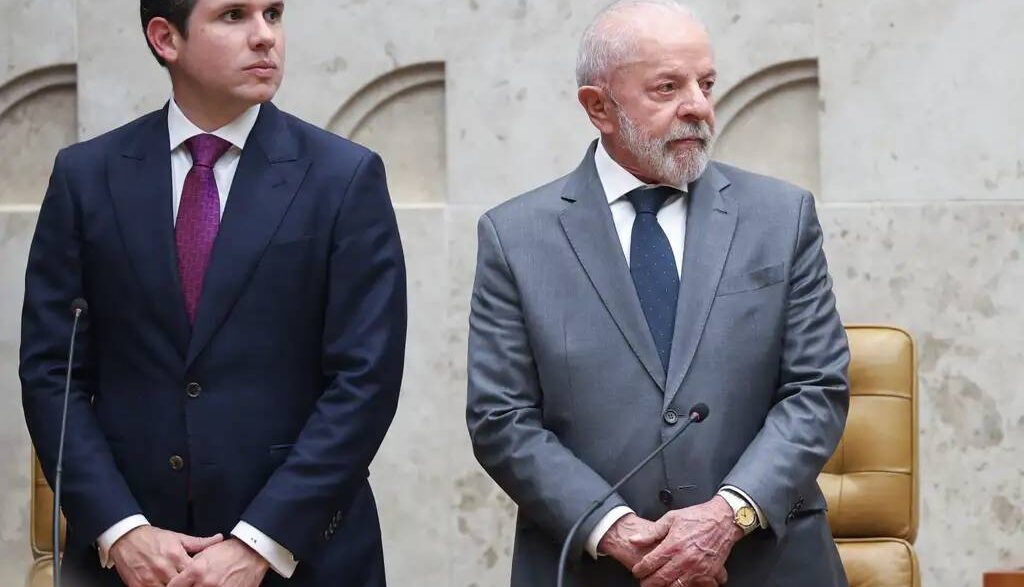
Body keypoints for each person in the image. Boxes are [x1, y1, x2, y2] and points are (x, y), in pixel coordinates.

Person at [20, 1, 406, 585]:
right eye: (233, 16)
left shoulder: (344, 178)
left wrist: (260, 544)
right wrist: (121, 530)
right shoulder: (86, 176)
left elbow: (365, 381)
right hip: (130, 562)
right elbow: (53, 371)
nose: (264, 36)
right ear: (165, 38)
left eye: (272, 14)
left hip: (302, 559)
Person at [465, 1, 850, 586]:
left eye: (706, 84)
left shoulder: (781, 216)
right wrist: (614, 528)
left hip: (764, 563)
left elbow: (817, 387)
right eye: (667, 87)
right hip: (598, 569)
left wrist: (727, 517)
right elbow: (502, 418)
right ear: (599, 107)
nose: (698, 106)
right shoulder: (515, 236)